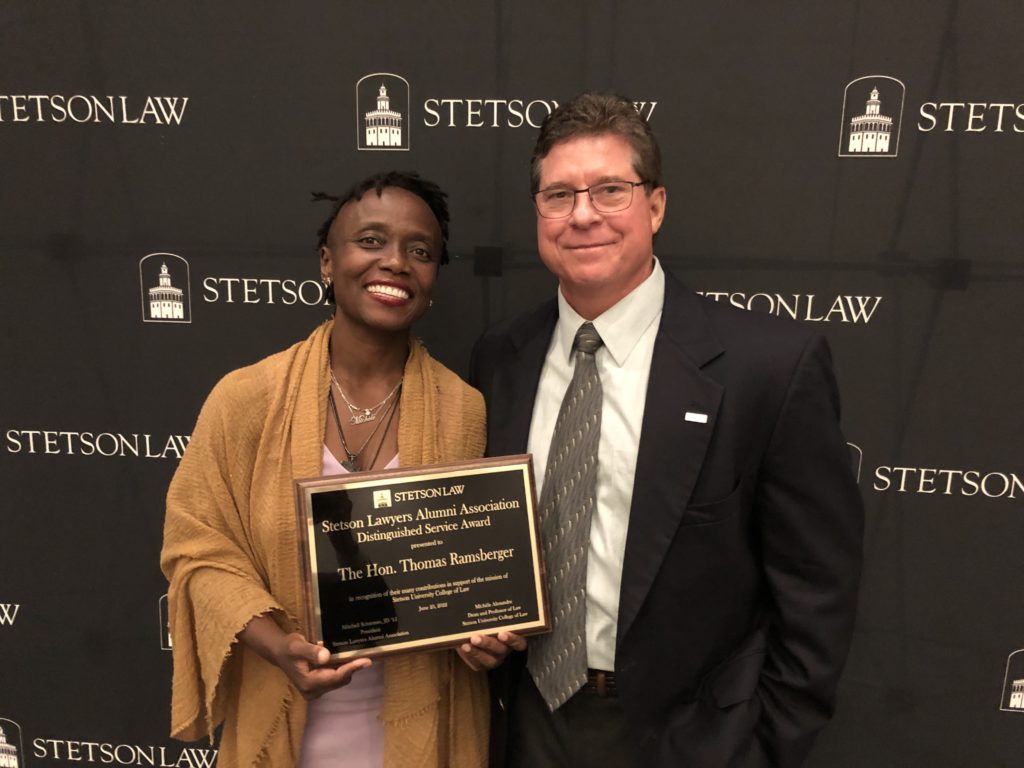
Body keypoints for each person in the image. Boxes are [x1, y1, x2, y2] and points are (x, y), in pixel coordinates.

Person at [469, 93, 864, 767]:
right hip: (523, 722)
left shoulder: (769, 367)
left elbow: (816, 592)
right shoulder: (499, 359)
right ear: (538, 214)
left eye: (610, 191)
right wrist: (477, 621)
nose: (583, 214)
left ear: (654, 206)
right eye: (558, 195)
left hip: (691, 737)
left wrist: (761, 750)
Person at [161, 171, 516, 768]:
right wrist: (278, 646)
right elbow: (196, 548)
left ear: (433, 279)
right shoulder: (247, 398)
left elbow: (476, 567)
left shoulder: (464, 410)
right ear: (328, 261)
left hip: (426, 728)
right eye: (371, 241)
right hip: (284, 725)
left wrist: (488, 636)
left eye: (420, 251)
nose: (396, 262)